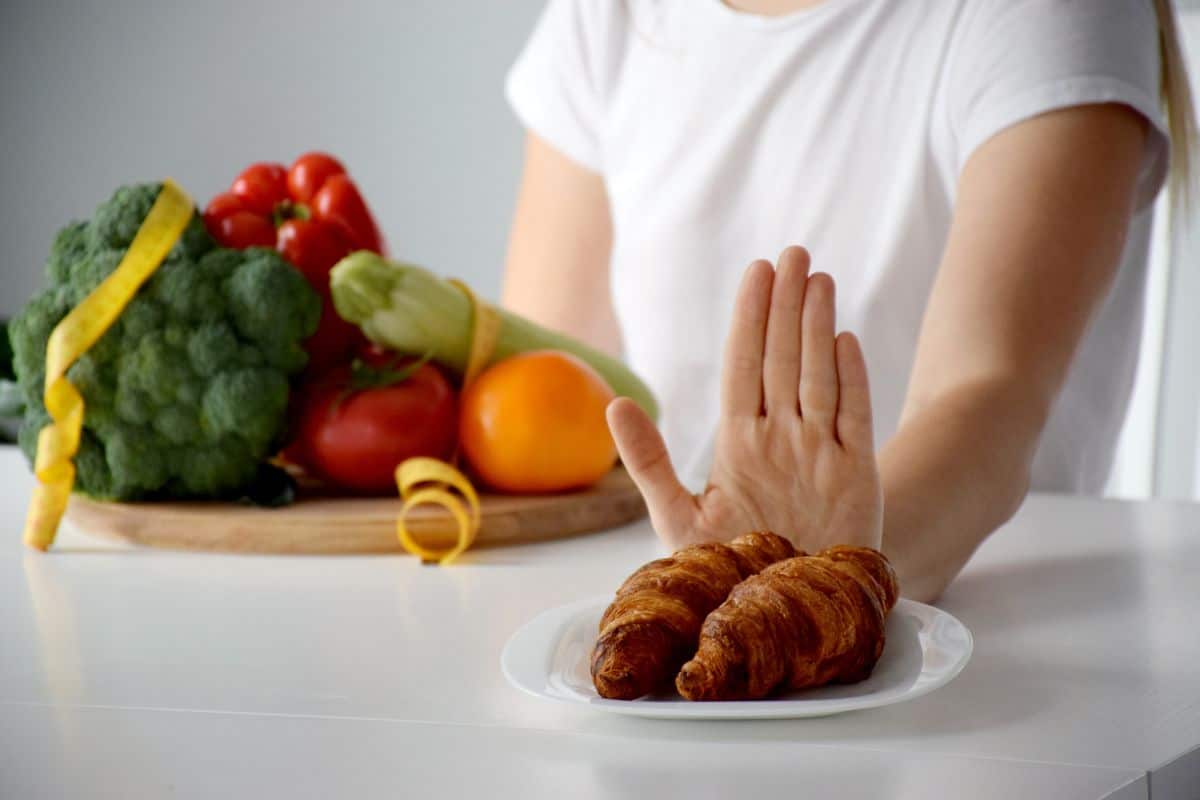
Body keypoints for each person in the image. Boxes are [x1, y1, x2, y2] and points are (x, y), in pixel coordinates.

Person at [500, 0, 1194, 602]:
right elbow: (541, 397)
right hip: (700, 625)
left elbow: (988, 400)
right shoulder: (610, 15)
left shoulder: (1049, 14)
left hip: (986, 660)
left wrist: (824, 572)